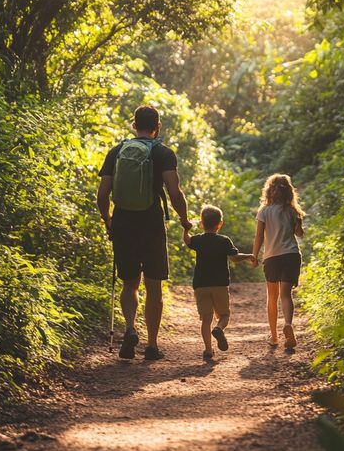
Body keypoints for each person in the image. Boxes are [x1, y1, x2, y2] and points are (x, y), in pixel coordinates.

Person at [97, 105, 192, 360]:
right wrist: (184, 220)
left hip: (123, 222)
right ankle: (151, 345)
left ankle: (129, 328)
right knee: (153, 285)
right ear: (157, 126)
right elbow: (174, 193)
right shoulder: (163, 153)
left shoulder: (116, 152)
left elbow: (102, 194)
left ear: (133, 125)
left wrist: (108, 221)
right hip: (151, 222)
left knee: (129, 283)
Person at [183, 204, 255, 360]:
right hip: (220, 285)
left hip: (201, 285)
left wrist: (186, 229)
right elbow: (235, 259)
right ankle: (219, 328)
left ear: (202, 223)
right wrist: (249, 256)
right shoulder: (224, 240)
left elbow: (187, 241)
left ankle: (208, 350)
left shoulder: (198, 240)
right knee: (224, 315)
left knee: (205, 319)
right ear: (220, 224)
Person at [252, 174, 304, 350]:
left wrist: (254, 255)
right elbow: (299, 234)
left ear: (269, 191)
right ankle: (288, 324)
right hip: (290, 255)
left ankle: (274, 336)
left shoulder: (264, 211)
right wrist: (296, 221)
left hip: (272, 257)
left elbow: (259, 235)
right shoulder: (292, 211)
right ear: (289, 191)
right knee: (286, 295)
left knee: (272, 297)